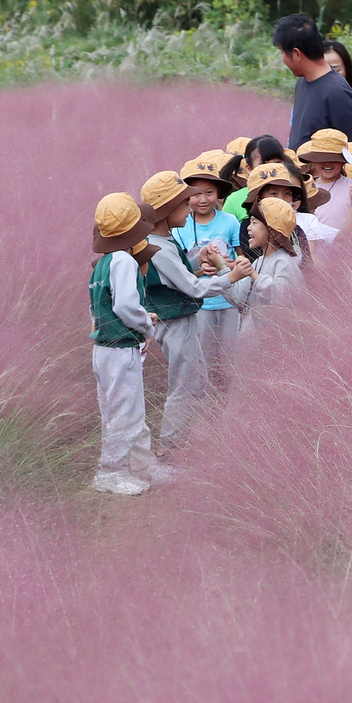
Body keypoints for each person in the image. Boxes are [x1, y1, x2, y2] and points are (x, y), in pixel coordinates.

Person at [139, 170, 237, 455]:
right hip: (174, 323)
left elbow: (178, 273)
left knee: (197, 380)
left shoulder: (161, 242)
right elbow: (193, 288)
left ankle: (187, 441)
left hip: (177, 321)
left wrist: (197, 259)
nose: (191, 206)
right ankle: (169, 449)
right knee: (184, 385)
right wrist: (230, 277)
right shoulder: (160, 248)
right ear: (167, 210)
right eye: (184, 203)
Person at [88, 194, 159, 495]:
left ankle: (144, 467)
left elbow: (97, 308)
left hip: (103, 348)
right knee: (126, 414)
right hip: (120, 350)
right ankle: (110, 472)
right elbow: (127, 307)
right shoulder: (125, 261)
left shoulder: (102, 263)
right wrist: (146, 327)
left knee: (120, 410)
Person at [175, 151, 243, 389]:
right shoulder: (180, 226)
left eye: (209, 192)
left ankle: (227, 396)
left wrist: (225, 265)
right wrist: (199, 270)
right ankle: (206, 396)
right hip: (199, 302)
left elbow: (242, 261)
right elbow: (178, 269)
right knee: (202, 357)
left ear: (219, 194)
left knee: (229, 356)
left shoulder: (230, 222)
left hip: (228, 300)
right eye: (195, 194)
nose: (202, 199)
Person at [273, 13, 352, 151]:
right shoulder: (302, 82)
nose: (283, 59)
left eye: (283, 53)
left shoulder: (337, 92)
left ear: (297, 54)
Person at [223, 198, 306, 339]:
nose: (248, 227)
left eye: (254, 223)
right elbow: (239, 298)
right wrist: (222, 268)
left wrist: (254, 275)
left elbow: (281, 297)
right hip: (253, 341)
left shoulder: (284, 262)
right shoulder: (259, 262)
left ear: (272, 230)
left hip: (275, 342)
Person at [297, 128, 352, 237]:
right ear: (314, 161)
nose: (328, 163)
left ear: (343, 162)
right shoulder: (306, 186)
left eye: (334, 159)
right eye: (322, 159)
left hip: (344, 248)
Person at [222, 135, 287, 221]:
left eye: (278, 163)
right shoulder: (234, 200)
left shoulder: (292, 193)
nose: (272, 168)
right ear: (249, 169)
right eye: (264, 164)